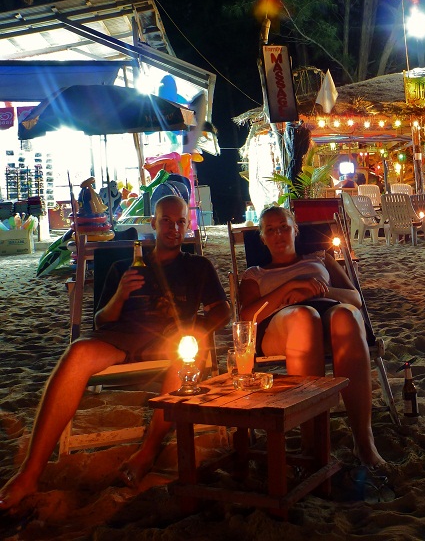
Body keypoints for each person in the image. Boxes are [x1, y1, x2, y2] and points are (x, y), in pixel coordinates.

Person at [0, 195, 230, 513]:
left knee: (189, 350)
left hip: (169, 342)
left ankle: (148, 452)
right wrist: (121, 293)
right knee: (78, 352)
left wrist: (195, 327)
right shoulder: (125, 266)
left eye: (180, 222)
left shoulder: (197, 267)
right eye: (166, 220)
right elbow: (101, 320)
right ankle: (30, 474)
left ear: (187, 225)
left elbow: (222, 311)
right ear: (153, 223)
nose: (174, 228)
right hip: (120, 339)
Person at [238, 206, 384, 468]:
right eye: (270, 230)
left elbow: (355, 298)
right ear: (262, 238)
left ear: (295, 230)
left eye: (284, 227)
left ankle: (364, 441)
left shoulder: (320, 258)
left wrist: (319, 291)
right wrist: (291, 288)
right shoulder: (255, 274)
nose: (278, 234)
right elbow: (248, 316)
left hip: (328, 311)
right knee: (305, 317)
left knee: (347, 316)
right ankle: (312, 443)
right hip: (281, 324)